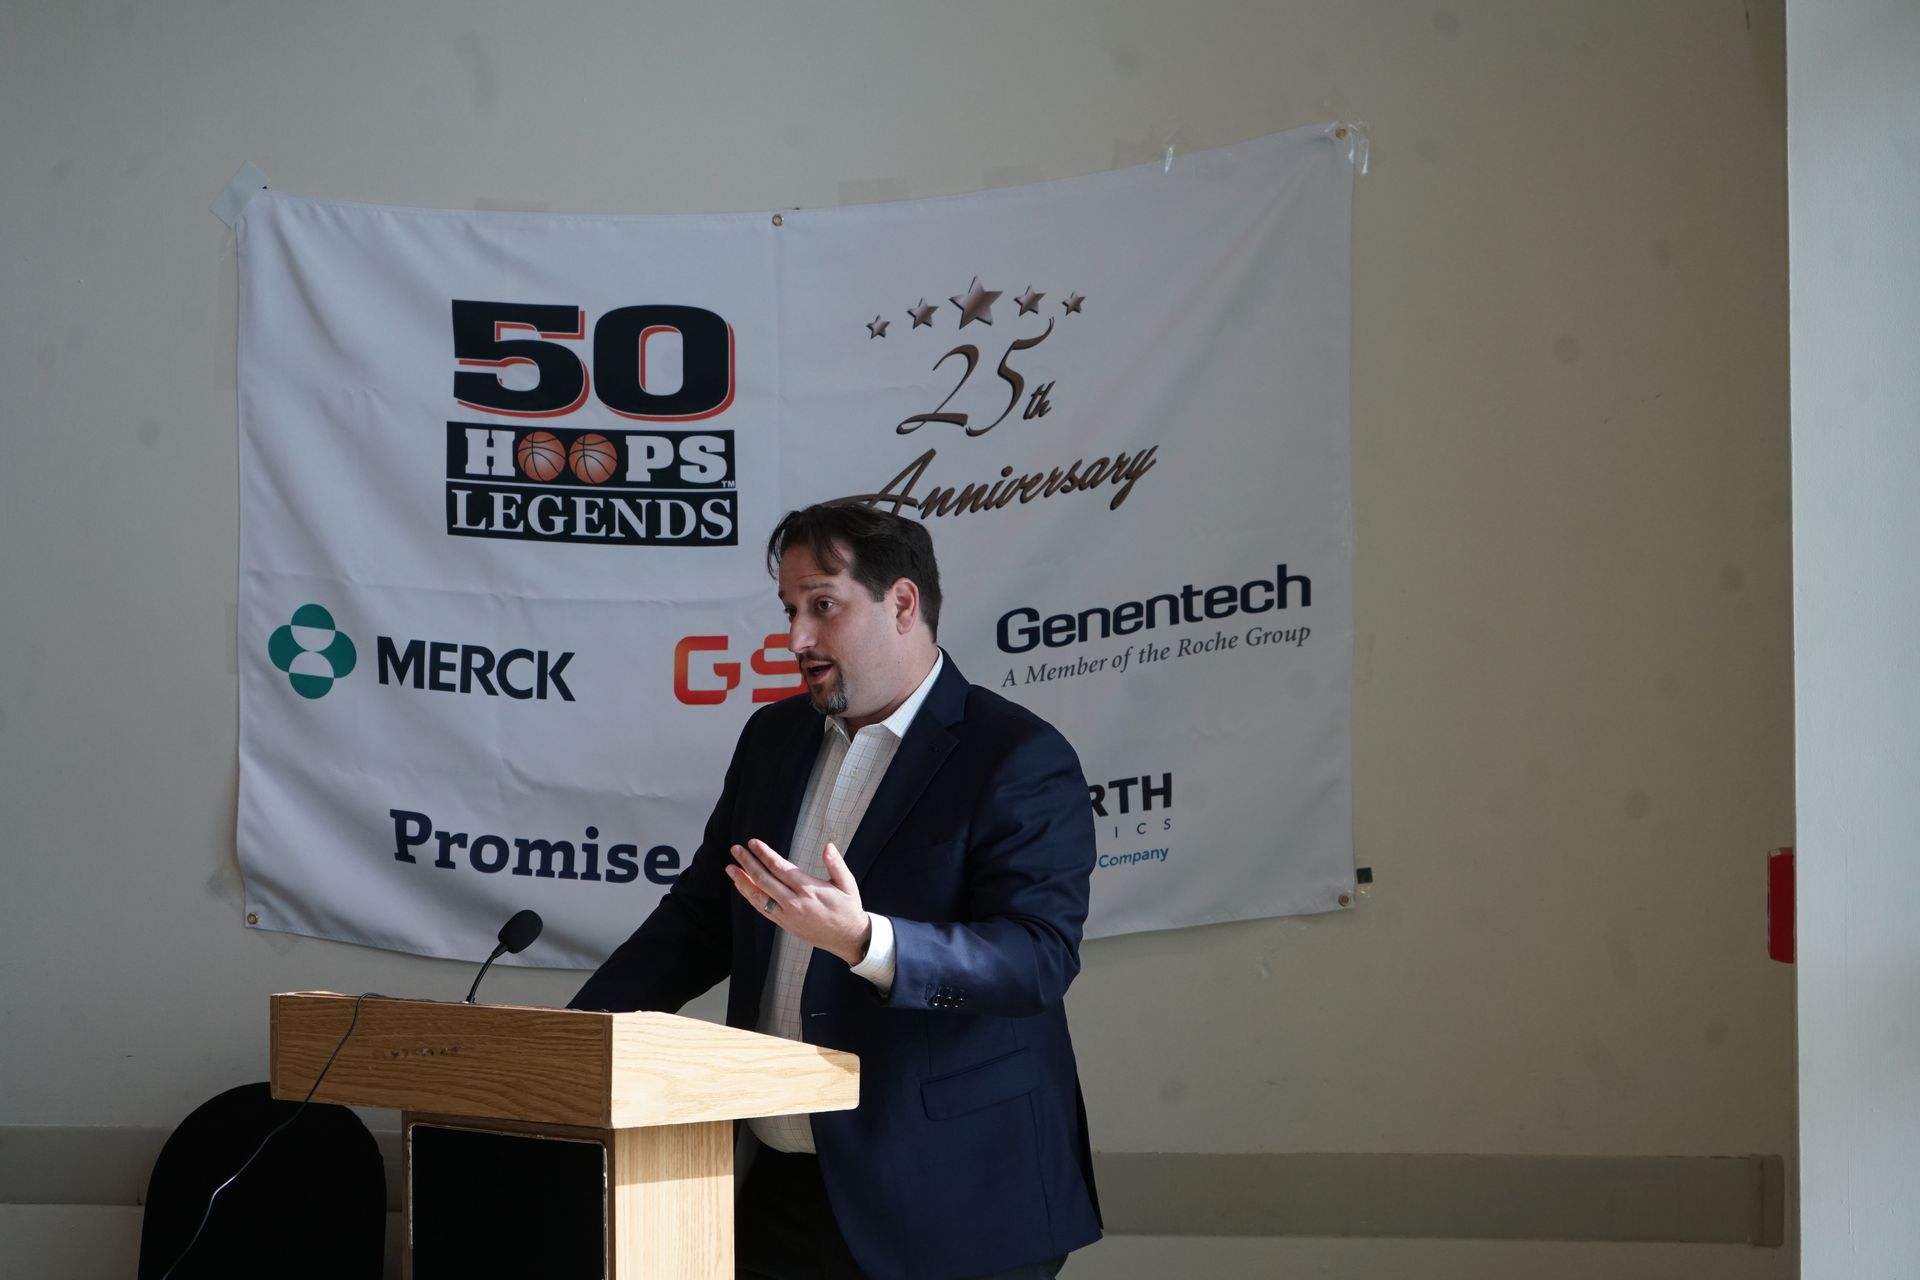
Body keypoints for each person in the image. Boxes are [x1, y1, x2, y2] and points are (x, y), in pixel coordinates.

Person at [571, 503, 1102, 1280]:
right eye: (790, 610)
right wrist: (576, 1036)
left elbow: (1036, 958)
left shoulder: (1016, 756)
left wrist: (866, 942)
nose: (796, 640)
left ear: (902, 603)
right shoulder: (772, 739)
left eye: (823, 606)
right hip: (781, 1178)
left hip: (951, 1197)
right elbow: (702, 917)